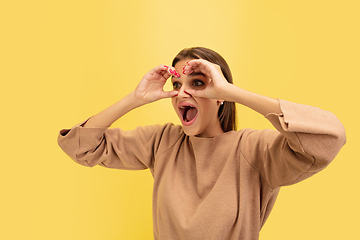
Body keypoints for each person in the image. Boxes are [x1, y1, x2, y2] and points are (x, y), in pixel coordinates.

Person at [58, 47, 346, 240]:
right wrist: (135, 98)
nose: (183, 92)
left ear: (220, 94)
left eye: (198, 83)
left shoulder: (253, 149)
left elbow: (328, 137)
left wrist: (230, 91)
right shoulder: (162, 142)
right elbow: (80, 146)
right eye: (176, 85)